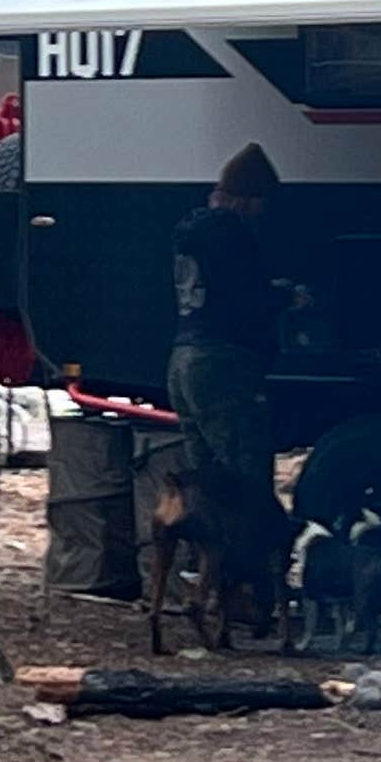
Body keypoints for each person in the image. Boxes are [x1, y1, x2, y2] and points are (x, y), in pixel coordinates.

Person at [164, 142, 286, 555]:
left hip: (183, 358)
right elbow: (247, 298)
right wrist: (288, 299)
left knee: (207, 481)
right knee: (245, 478)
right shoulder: (231, 233)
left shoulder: (190, 231)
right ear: (248, 199)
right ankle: (248, 580)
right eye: (261, 202)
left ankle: (208, 574)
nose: (263, 212)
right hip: (223, 363)